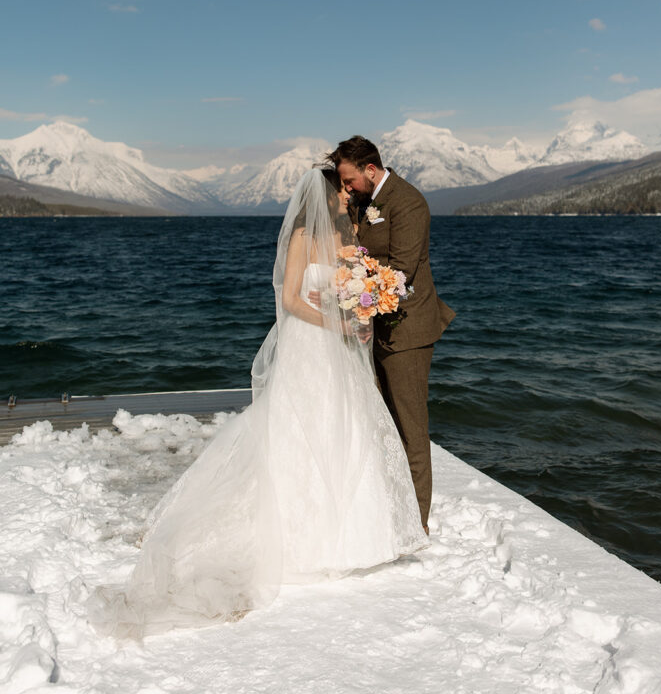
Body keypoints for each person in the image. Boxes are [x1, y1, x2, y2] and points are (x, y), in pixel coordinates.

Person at [88, 168, 426, 640]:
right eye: (342, 190)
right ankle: (300, 540)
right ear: (326, 195)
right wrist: (337, 323)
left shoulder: (347, 235)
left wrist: (359, 312)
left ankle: (354, 534)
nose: (348, 194)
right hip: (310, 346)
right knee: (300, 428)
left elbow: (342, 291)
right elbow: (290, 299)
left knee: (344, 428)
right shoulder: (305, 236)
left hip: (341, 350)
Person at [329, 136, 455, 535]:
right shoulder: (366, 201)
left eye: (350, 179)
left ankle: (416, 525)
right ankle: (391, 510)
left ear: (370, 169)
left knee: (411, 428)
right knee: (386, 423)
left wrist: (356, 292)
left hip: (408, 330)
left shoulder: (409, 202)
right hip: (378, 328)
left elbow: (401, 272)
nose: (347, 187)